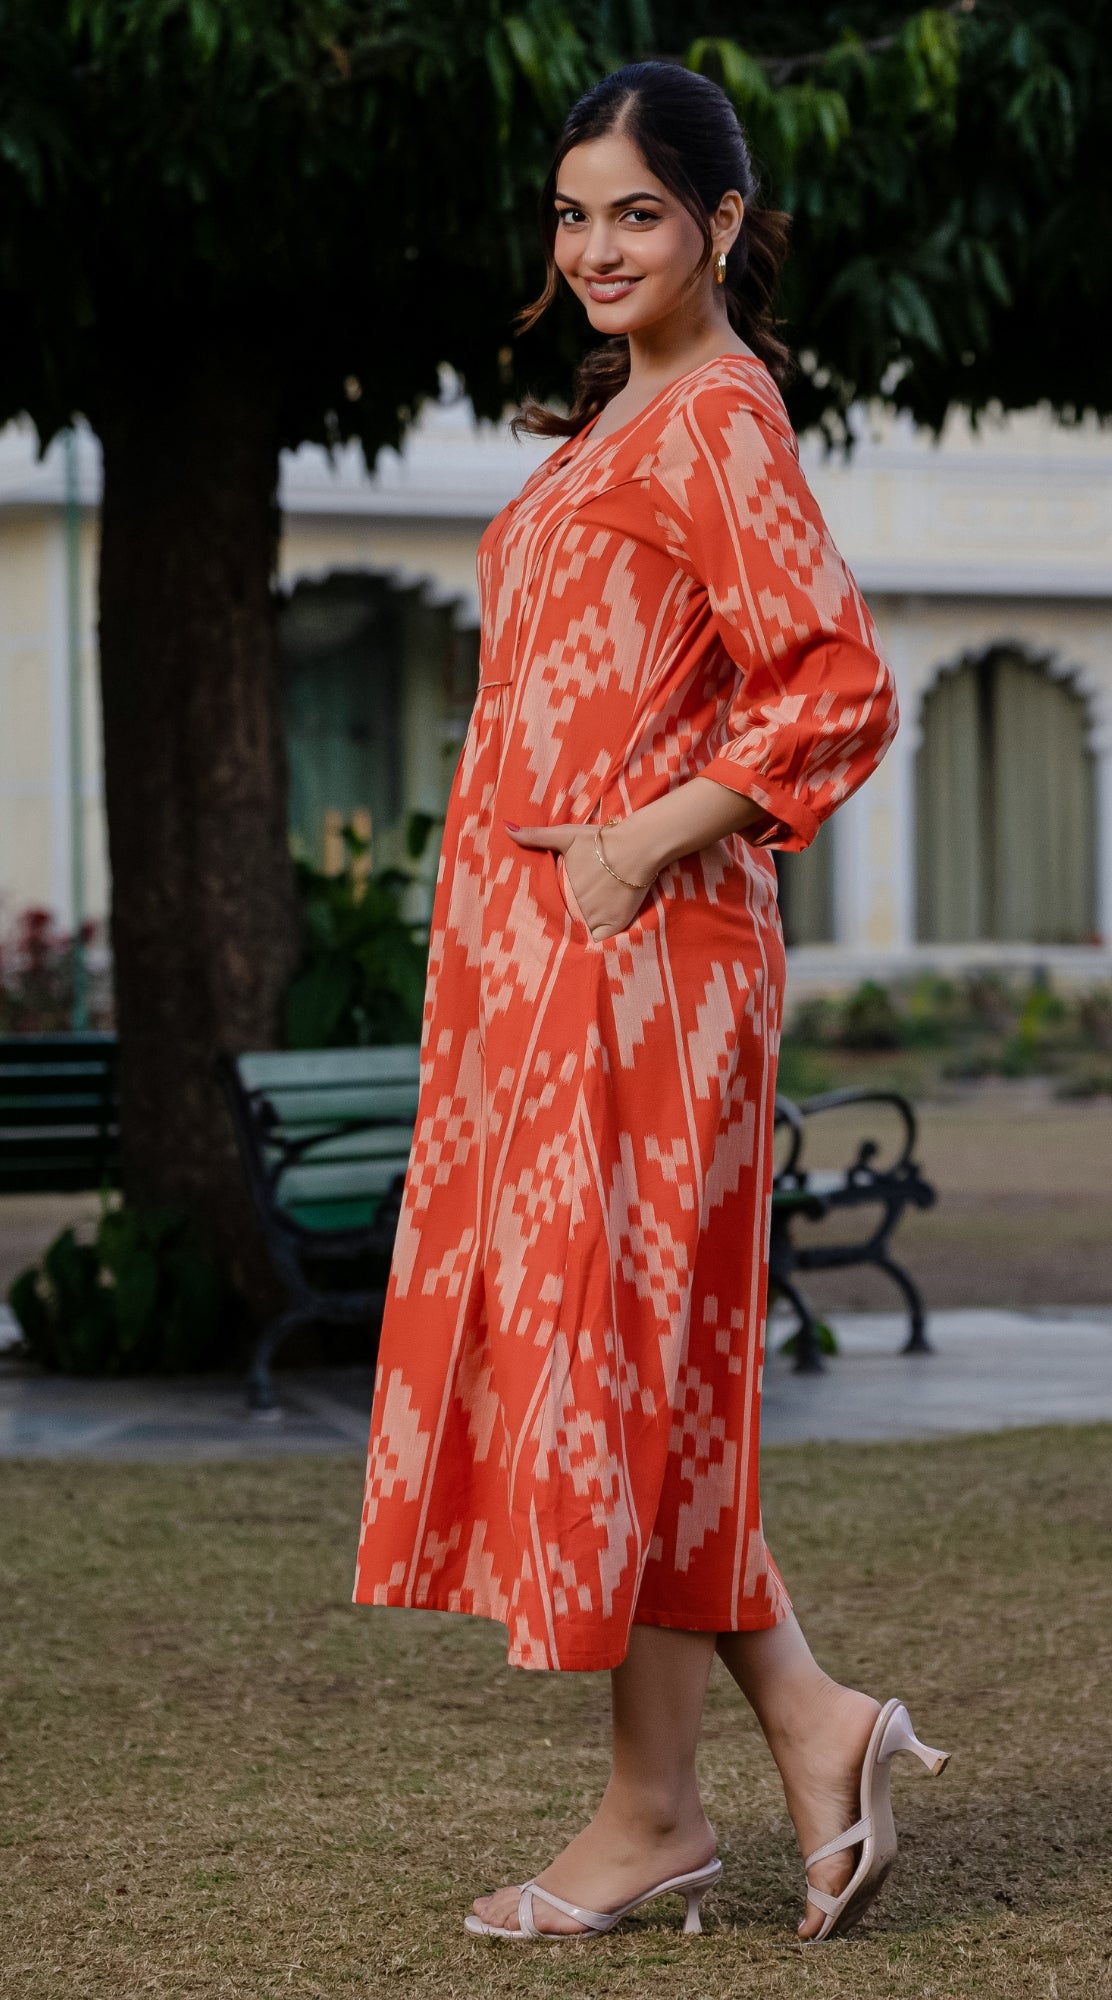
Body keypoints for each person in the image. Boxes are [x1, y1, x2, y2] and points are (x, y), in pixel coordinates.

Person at [352, 58, 947, 1944]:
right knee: (628, 1374)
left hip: (646, 963)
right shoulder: (621, 421)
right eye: (571, 212)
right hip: (547, 977)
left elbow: (837, 692)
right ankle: (796, 1729)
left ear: (722, 226)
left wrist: (627, 848)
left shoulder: (720, 426)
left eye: (637, 212)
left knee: (624, 1374)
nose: (596, 246)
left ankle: (654, 1813)